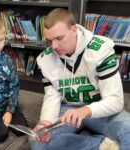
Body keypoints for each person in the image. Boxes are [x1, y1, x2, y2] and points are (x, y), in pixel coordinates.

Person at [29, 8, 130, 150]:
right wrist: (46, 122)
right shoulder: (46, 59)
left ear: (74, 29)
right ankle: (100, 145)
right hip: (68, 110)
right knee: (38, 142)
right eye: (49, 40)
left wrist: (86, 110)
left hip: (100, 108)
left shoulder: (100, 50)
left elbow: (115, 100)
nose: (54, 46)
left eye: (59, 38)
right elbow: (52, 96)